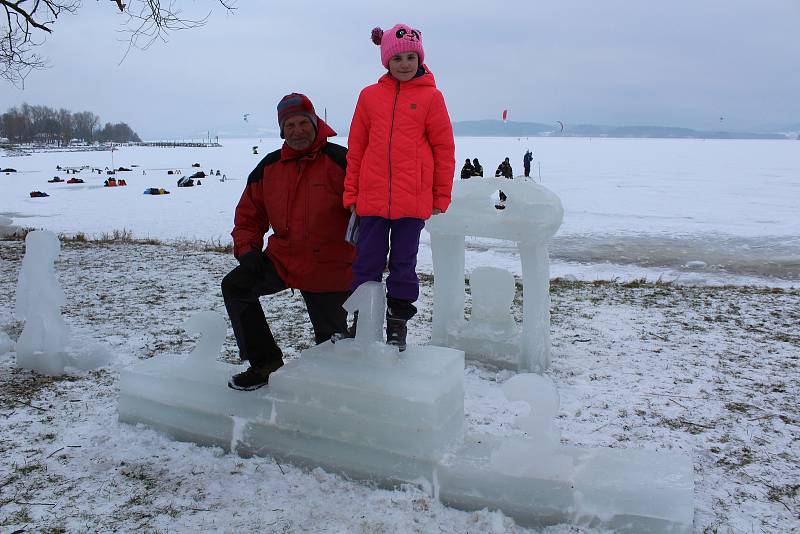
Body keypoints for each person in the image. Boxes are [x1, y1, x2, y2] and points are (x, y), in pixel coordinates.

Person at [222, 93, 355, 391]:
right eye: (290, 125)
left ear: (315, 122)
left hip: (331, 268)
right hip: (284, 260)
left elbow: (368, 214)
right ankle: (265, 364)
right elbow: (248, 216)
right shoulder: (269, 167)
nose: (297, 130)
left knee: (336, 355)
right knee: (236, 286)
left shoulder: (342, 160)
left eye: (303, 123)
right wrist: (248, 250)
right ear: (282, 130)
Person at [344, 23, 455, 351]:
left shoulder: (432, 98)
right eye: (398, 58)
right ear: (386, 61)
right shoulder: (369, 97)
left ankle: (398, 322)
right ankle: (362, 320)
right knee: (367, 260)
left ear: (419, 59)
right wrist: (351, 193)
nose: (404, 64)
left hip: (412, 201)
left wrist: (440, 195)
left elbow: (444, 150)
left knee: (404, 263)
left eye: (411, 57)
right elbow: (357, 148)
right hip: (372, 199)